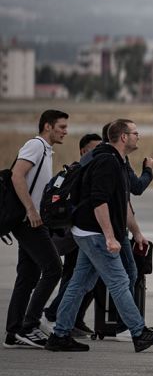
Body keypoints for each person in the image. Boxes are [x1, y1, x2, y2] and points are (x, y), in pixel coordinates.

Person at [45, 119, 153, 353]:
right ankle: (139, 332)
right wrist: (109, 236)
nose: (139, 136)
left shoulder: (116, 160)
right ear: (123, 137)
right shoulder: (107, 161)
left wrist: (135, 232)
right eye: (135, 133)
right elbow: (99, 201)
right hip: (95, 233)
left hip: (88, 231)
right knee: (119, 281)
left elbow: (122, 201)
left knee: (79, 284)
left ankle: (60, 334)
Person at [4, 109, 68, 349]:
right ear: (48, 126)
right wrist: (31, 210)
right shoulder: (36, 145)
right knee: (53, 268)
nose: (65, 131)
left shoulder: (46, 150)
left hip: (33, 220)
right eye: (61, 127)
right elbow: (17, 176)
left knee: (28, 276)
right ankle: (29, 325)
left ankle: (14, 332)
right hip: (30, 221)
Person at [42, 133, 103, 335]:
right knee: (81, 278)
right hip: (76, 233)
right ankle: (59, 314)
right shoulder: (81, 173)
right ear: (83, 151)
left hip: (73, 233)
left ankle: (71, 318)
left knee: (73, 275)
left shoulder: (78, 171)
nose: (98, 153)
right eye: (94, 149)